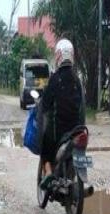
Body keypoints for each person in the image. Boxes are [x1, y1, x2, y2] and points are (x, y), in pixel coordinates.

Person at [39, 38, 86, 190]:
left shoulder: (54, 79)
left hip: (59, 133)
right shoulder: (77, 80)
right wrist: (82, 127)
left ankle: (47, 172)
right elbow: (82, 108)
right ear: (71, 55)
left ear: (58, 56)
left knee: (45, 141)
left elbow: (45, 106)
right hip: (77, 131)